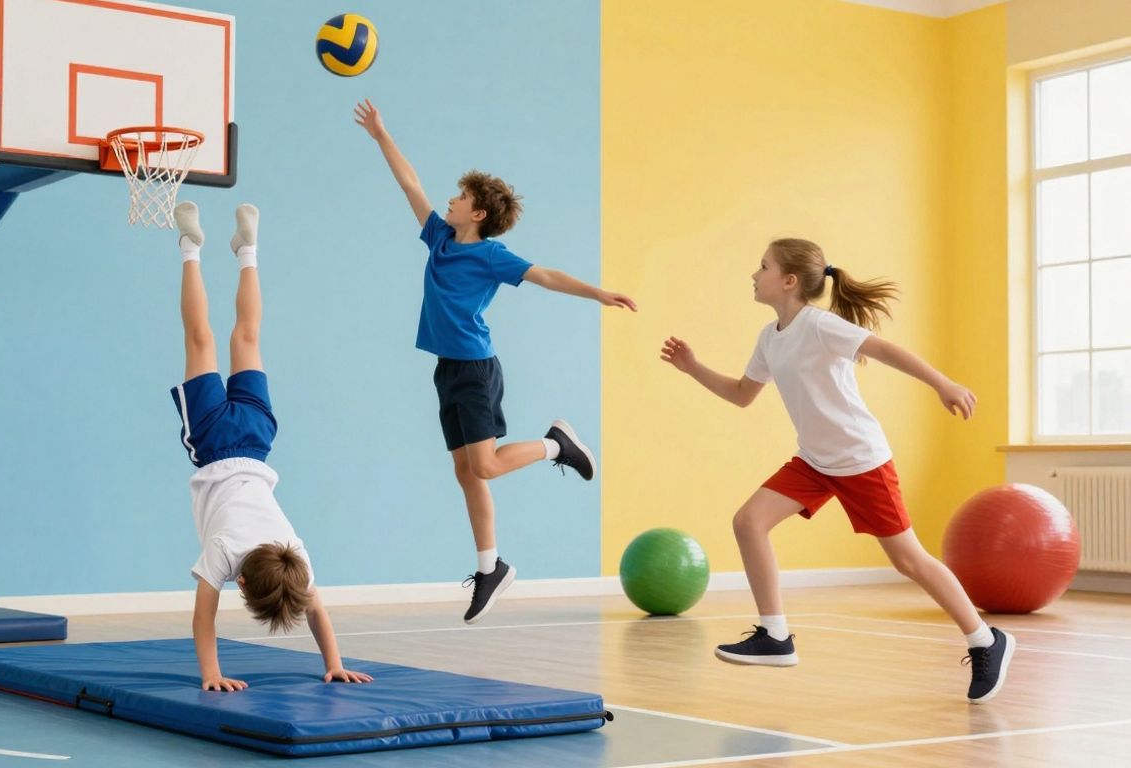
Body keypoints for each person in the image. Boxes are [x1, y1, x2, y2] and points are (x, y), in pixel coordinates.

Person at [660, 237, 1014, 704]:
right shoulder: (770, 337)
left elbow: (886, 350)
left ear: (789, 281)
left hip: (861, 460)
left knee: (908, 560)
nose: (754, 274)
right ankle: (775, 635)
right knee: (748, 522)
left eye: (763, 266)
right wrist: (693, 367)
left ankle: (986, 640)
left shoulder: (821, 325)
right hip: (815, 461)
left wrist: (942, 383)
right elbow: (743, 394)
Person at [354, 99, 637, 624]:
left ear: (478, 214)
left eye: (461, 197)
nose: (451, 199)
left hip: (475, 371)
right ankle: (491, 567)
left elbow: (545, 275)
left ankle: (557, 444)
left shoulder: (490, 256)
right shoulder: (440, 238)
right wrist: (380, 135)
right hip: (447, 369)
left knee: (484, 465)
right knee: (466, 472)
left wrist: (598, 293)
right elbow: (410, 184)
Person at [170, 201, 372, 691]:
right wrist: (212, 674)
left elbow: (317, 609)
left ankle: (249, 250)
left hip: (258, 437)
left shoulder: (294, 553)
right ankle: (190, 247)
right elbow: (203, 619)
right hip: (214, 442)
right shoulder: (223, 552)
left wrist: (335, 661)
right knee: (200, 339)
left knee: (248, 336)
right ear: (242, 583)